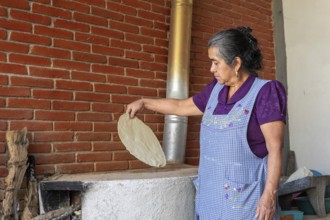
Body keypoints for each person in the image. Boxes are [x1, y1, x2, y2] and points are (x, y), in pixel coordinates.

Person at [126, 27, 286, 220]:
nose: (212, 69)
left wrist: (269, 195)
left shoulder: (265, 92)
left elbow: (275, 148)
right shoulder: (216, 90)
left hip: (245, 201)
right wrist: (144, 102)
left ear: (236, 63)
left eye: (215, 63)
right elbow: (180, 106)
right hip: (210, 198)